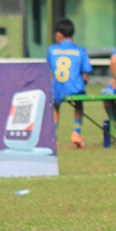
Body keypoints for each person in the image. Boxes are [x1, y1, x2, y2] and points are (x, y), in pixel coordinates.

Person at [46, 18, 92, 148]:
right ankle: (76, 133)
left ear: (59, 34)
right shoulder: (81, 51)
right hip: (75, 88)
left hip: (58, 88)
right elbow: (86, 73)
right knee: (78, 104)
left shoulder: (52, 49)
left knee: (55, 107)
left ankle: (53, 138)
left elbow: (48, 70)